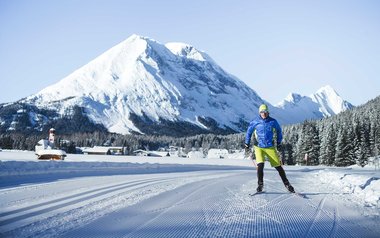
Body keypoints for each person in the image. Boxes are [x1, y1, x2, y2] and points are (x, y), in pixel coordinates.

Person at [244, 104, 295, 193]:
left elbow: (279, 131)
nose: (263, 113)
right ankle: (260, 185)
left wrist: (279, 142)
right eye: (262, 112)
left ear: (268, 112)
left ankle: (287, 184)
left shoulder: (272, 121)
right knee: (260, 165)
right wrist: (247, 143)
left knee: (278, 167)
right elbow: (249, 132)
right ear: (259, 112)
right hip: (259, 147)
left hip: (270, 147)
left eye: (265, 112)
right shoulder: (255, 121)